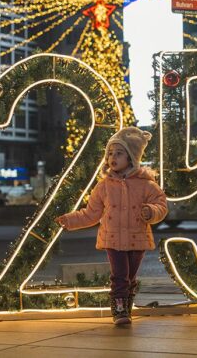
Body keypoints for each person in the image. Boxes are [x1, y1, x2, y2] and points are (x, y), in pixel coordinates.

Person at [55, 127, 167, 325]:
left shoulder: (146, 184)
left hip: (137, 239)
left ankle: (127, 305)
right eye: (110, 154)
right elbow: (91, 213)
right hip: (112, 239)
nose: (112, 157)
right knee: (120, 276)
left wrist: (151, 211)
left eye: (119, 153)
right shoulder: (104, 186)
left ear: (131, 157)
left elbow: (161, 205)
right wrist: (70, 220)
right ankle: (119, 311)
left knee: (130, 278)